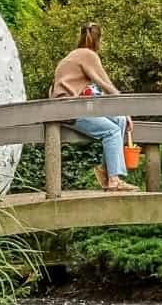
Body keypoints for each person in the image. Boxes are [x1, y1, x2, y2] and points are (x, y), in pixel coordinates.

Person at [49, 23, 138, 192]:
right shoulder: (88, 55)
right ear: (99, 39)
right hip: (68, 109)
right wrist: (126, 111)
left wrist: (121, 115)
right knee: (111, 131)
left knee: (118, 120)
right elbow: (106, 86)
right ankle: (113, 180)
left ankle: (108, 172)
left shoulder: (73, 55)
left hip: (66, 106)